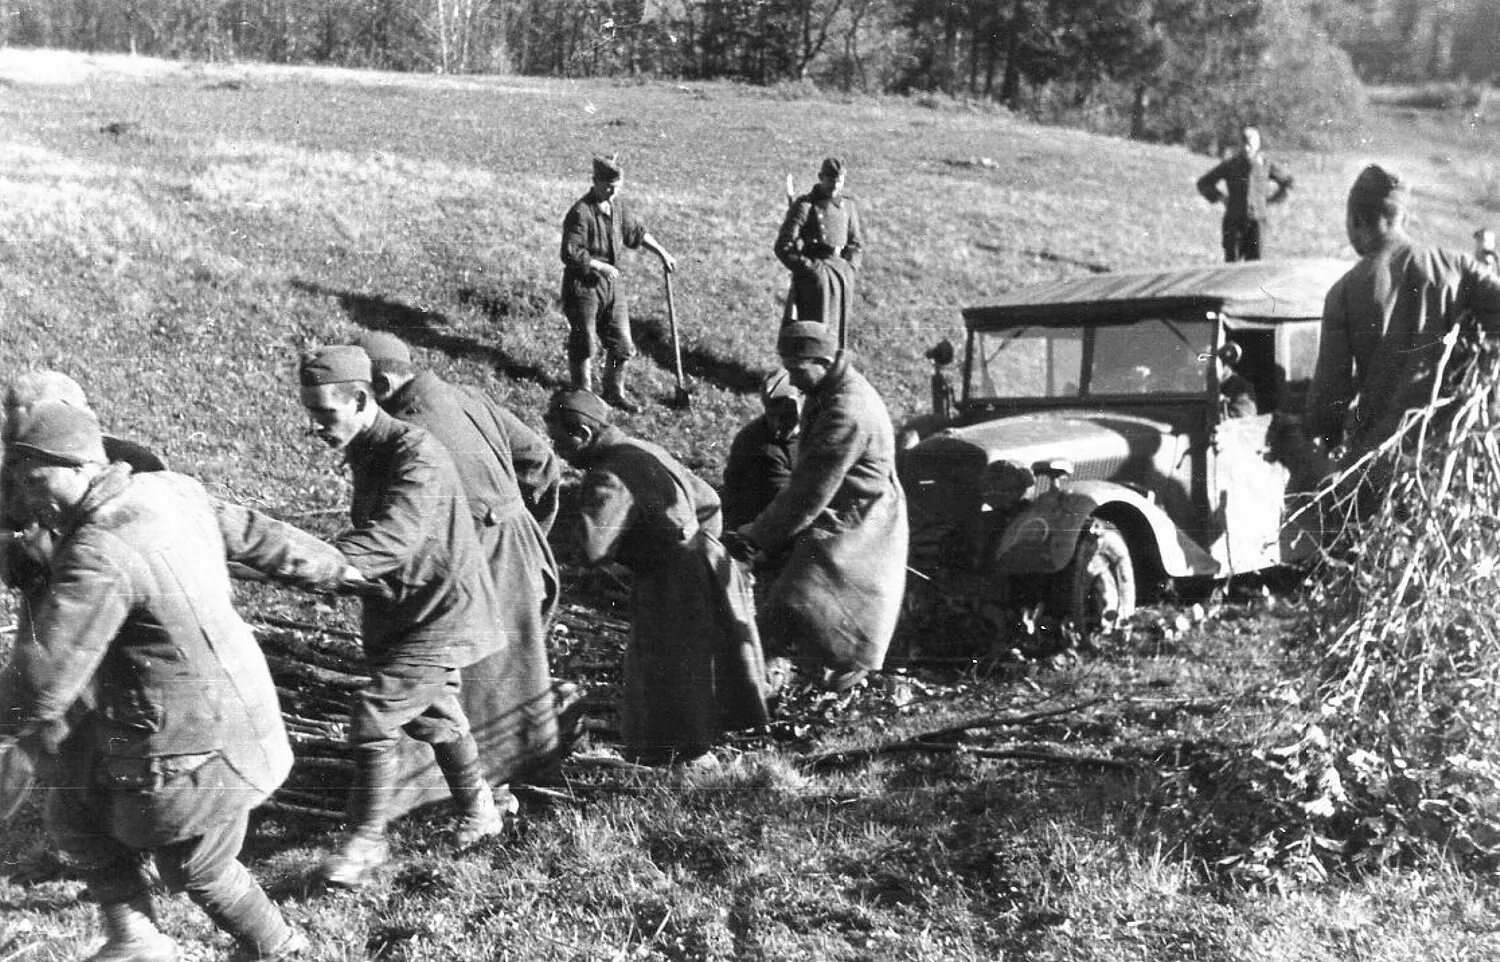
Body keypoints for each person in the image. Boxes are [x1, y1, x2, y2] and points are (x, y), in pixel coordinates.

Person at [0, 400, 357, 962]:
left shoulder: (100, 551)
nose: (24, 500)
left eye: (33, 480)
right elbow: (251, 531)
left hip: (193, 743)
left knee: (196, 864)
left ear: (78, 466)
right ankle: (136, 938)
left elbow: (45, 680)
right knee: (73, 805)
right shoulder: (167, 490)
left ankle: (279, 947)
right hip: (221, 707)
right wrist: (335, 567)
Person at [297, 346, 512, 888]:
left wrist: (303, 563)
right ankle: (481, 811)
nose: (318, 428)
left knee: (375, 716)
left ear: (363, 398)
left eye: (326, 414)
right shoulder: (369, 447)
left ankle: (366, 841)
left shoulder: (415, 454)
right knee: (433, 714)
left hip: (440, 611)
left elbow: (392, 539)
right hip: (407, 607)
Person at [355, 331, 561, 790]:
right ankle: (513, 777)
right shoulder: (466, 395)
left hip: (477, 560)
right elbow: (542, 461)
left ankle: (472, 789)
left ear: (383, 385)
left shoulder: (409, 434)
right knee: (516, 671)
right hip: (519, 549)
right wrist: (525, 530)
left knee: (471, 677)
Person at [543, 389, 769, 765]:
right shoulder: (642, 449)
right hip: (705, 560)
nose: (558, 449)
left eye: (559, 439)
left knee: (665, 667)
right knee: (699, 661)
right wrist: (696, 539)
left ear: (582, 434)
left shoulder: (608, 476)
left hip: (671, 580)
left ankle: (680, 757)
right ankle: (697, 748)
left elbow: (590, 549)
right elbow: (709, 499)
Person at [727, 322, 908, 693]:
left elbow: (807, 494)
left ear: (823, 361)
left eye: (797, 370)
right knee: (801, 607)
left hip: (859, 523)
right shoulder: (830, 388)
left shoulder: (847, 410)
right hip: (841, 512)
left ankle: (777, 689)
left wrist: (754, 538)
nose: (793, 380)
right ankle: (799, 681)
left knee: (804, 602)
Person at [1306, 165, 1500, 461]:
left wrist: (1325, 442)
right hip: (1450, 454)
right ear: (1404, 218)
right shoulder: (1458, 267)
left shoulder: (1344, 292)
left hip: (1380, 459)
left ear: (1356, 219)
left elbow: (1329, 398)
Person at [559, 154, 677, 413]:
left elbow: (637, 233)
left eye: (617, 187)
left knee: (622, 344)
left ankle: (613, 391)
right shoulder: (581, 212)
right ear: (595, 181)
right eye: (608, 186)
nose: (612, 192)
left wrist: (662, 253)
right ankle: (584, 396)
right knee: (585, 342)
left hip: (612, 287)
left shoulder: (618, 208)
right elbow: (570, 252)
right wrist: (600, 266)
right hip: (583, 287)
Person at [775, 157, 863, 336]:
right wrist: (810, 269)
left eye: (839, 181)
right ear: (820, 177)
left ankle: (833, 363)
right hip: (814, 279)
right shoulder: (805, 206)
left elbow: (855, 244)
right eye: (830, 180)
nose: (835, 186)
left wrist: (850, 268)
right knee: (812, 332)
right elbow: (783, 246)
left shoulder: (848, 207)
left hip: (841, 278)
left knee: (836, 331)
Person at [1196, 125, 1294, 262]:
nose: (1247, 147)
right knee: (1232, 266)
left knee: (1254, 267)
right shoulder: (1230, 165)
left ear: (1258, 144)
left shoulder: (1266, 165)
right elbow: (1203, 183)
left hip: (1257, 222)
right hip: (1234, 222)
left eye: (1250, 143)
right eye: (1244, 143)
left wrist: (1273, 200)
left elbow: (1289, 184)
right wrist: (1220, 197)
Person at [721, 370, 801, 531]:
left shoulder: (814, 427)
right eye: (772, 415)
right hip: (755, 525)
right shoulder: (764, 450)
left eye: (786, 416)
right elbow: (792, 503)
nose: (777, 427)